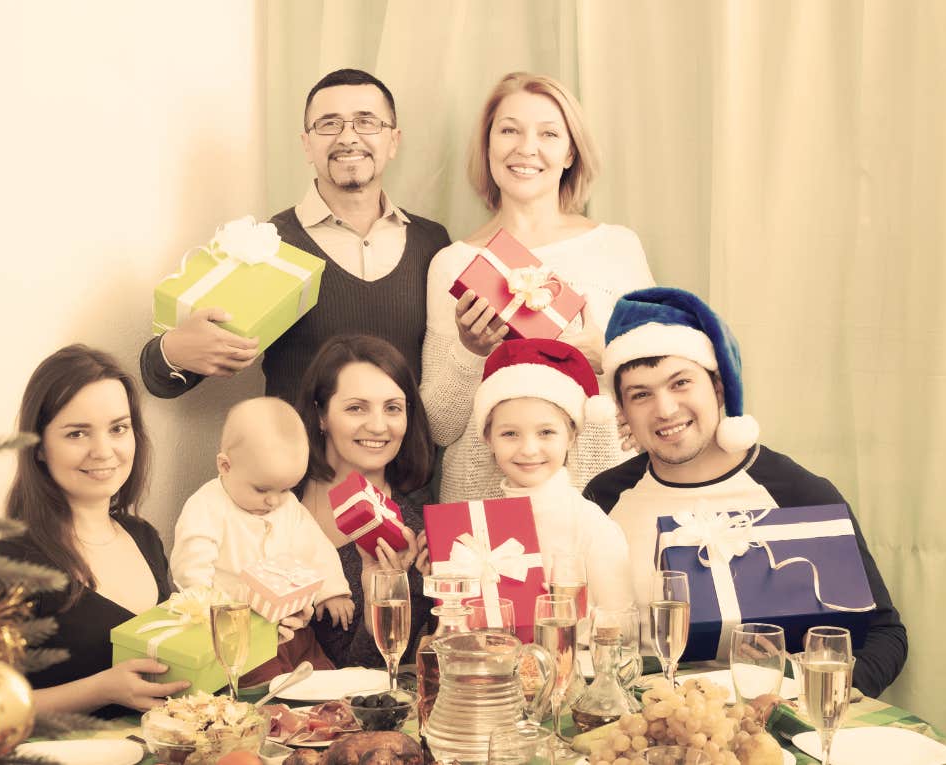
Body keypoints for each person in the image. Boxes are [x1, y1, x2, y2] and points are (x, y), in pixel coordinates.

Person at [583, 287, 907, 697]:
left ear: (718, 387)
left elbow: (884, 634)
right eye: (641, 394)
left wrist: (836, 688)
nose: (664, 409)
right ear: (623, 411)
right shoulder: (603, 498)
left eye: (680, 383)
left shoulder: (799, 493)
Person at [141, 68, 451, 403]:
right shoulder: (267, 248)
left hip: (408, 455)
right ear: (307, 144)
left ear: (393, 141)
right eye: (329, 124)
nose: (348, 137)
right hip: (299, 455)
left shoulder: (432, 243)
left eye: (366, 121)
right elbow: (161, 378)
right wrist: (172, 350)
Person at [420, 71, 654, 503]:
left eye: (548, 133)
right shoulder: (453, 263)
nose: (526, 148)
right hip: (486, 513)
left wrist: (605, 357)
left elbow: (659, 387)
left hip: (603, 497)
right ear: (488, 145)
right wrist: (470, 352)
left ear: (570, 153)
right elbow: (438, 425)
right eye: (509, 130)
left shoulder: (617, 247)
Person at [0, 345, 187, 718]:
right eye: (78, 434)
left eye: (118, 428)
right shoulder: (10, 561)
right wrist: (99, 690)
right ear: (39, 447)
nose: (103, 450)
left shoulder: (144, 536)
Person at [170, 397, 352, 682]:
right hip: (243, 634)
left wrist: (332, 590)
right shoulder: (207, 507)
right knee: (265, 689)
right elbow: (192, 564)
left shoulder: (287, 505)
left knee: (323, 677)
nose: (274, 500)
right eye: (262, 489)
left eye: (285, 489)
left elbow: (315, 548)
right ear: (225, 466)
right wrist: (210, 613)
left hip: (293, 626)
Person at [293, 334, 435, 668]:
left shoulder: (415, 536)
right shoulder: (271, 504)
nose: (377, 425)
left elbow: (376, 679)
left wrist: (382, 605)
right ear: (321, 415)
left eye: (393, 408)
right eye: (356, 407)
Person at [470, 338, 635, 614]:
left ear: (570, 435)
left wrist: (563, 619)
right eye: (510, 434)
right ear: (488, 438)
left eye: (546, 432)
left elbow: (618, 624)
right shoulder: (478, 527)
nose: (529, 449)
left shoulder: (592, 526)